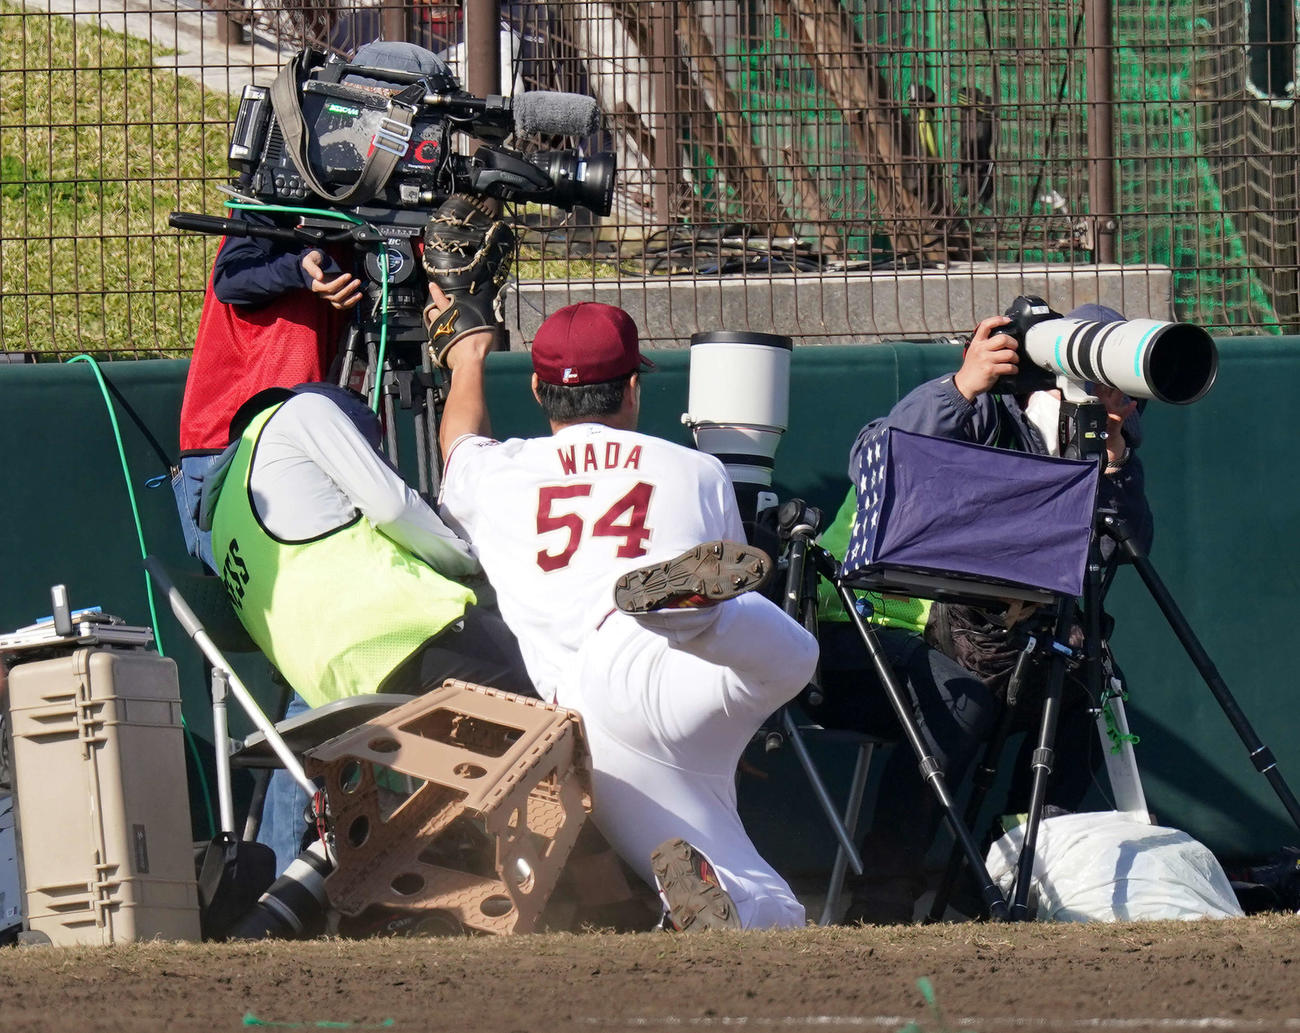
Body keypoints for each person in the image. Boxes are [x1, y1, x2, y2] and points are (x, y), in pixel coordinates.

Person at [431, 295, 820, 930]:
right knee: (791, 657)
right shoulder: (695, 469)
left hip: (588, 713)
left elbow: (459, 445)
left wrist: (466, 358)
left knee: (751, 896)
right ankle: (682, 610)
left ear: (536, 388)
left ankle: (679, 609)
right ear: (632, 388)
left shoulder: (497, 473)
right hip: (675, 664)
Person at [824, 302, 1154, 919]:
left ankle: (1010, 866)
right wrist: (961, 387)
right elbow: (877, 465)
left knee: (1088, 692)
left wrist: (1111, 456)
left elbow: (1119, 547)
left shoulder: (1098, 436)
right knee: (961, 700)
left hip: (983, 635)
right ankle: (881, 900)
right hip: (873, 621)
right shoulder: (980, 407)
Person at [200, 381, 534, 873]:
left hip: (334, 691)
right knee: (560, 676)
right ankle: (604, 882)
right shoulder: (304, 413)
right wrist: (467, 559)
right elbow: (394, 507)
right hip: (404, 641)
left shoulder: (223, 516)